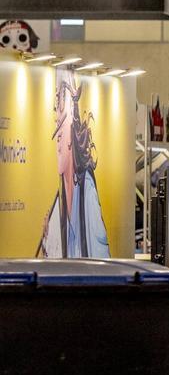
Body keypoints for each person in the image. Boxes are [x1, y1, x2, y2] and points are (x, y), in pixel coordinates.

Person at [37, 69, 110, 258]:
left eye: (63, 96)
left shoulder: (88, 193)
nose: (57, 117)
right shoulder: (56, 211)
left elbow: (102, 268)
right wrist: (47, 241)